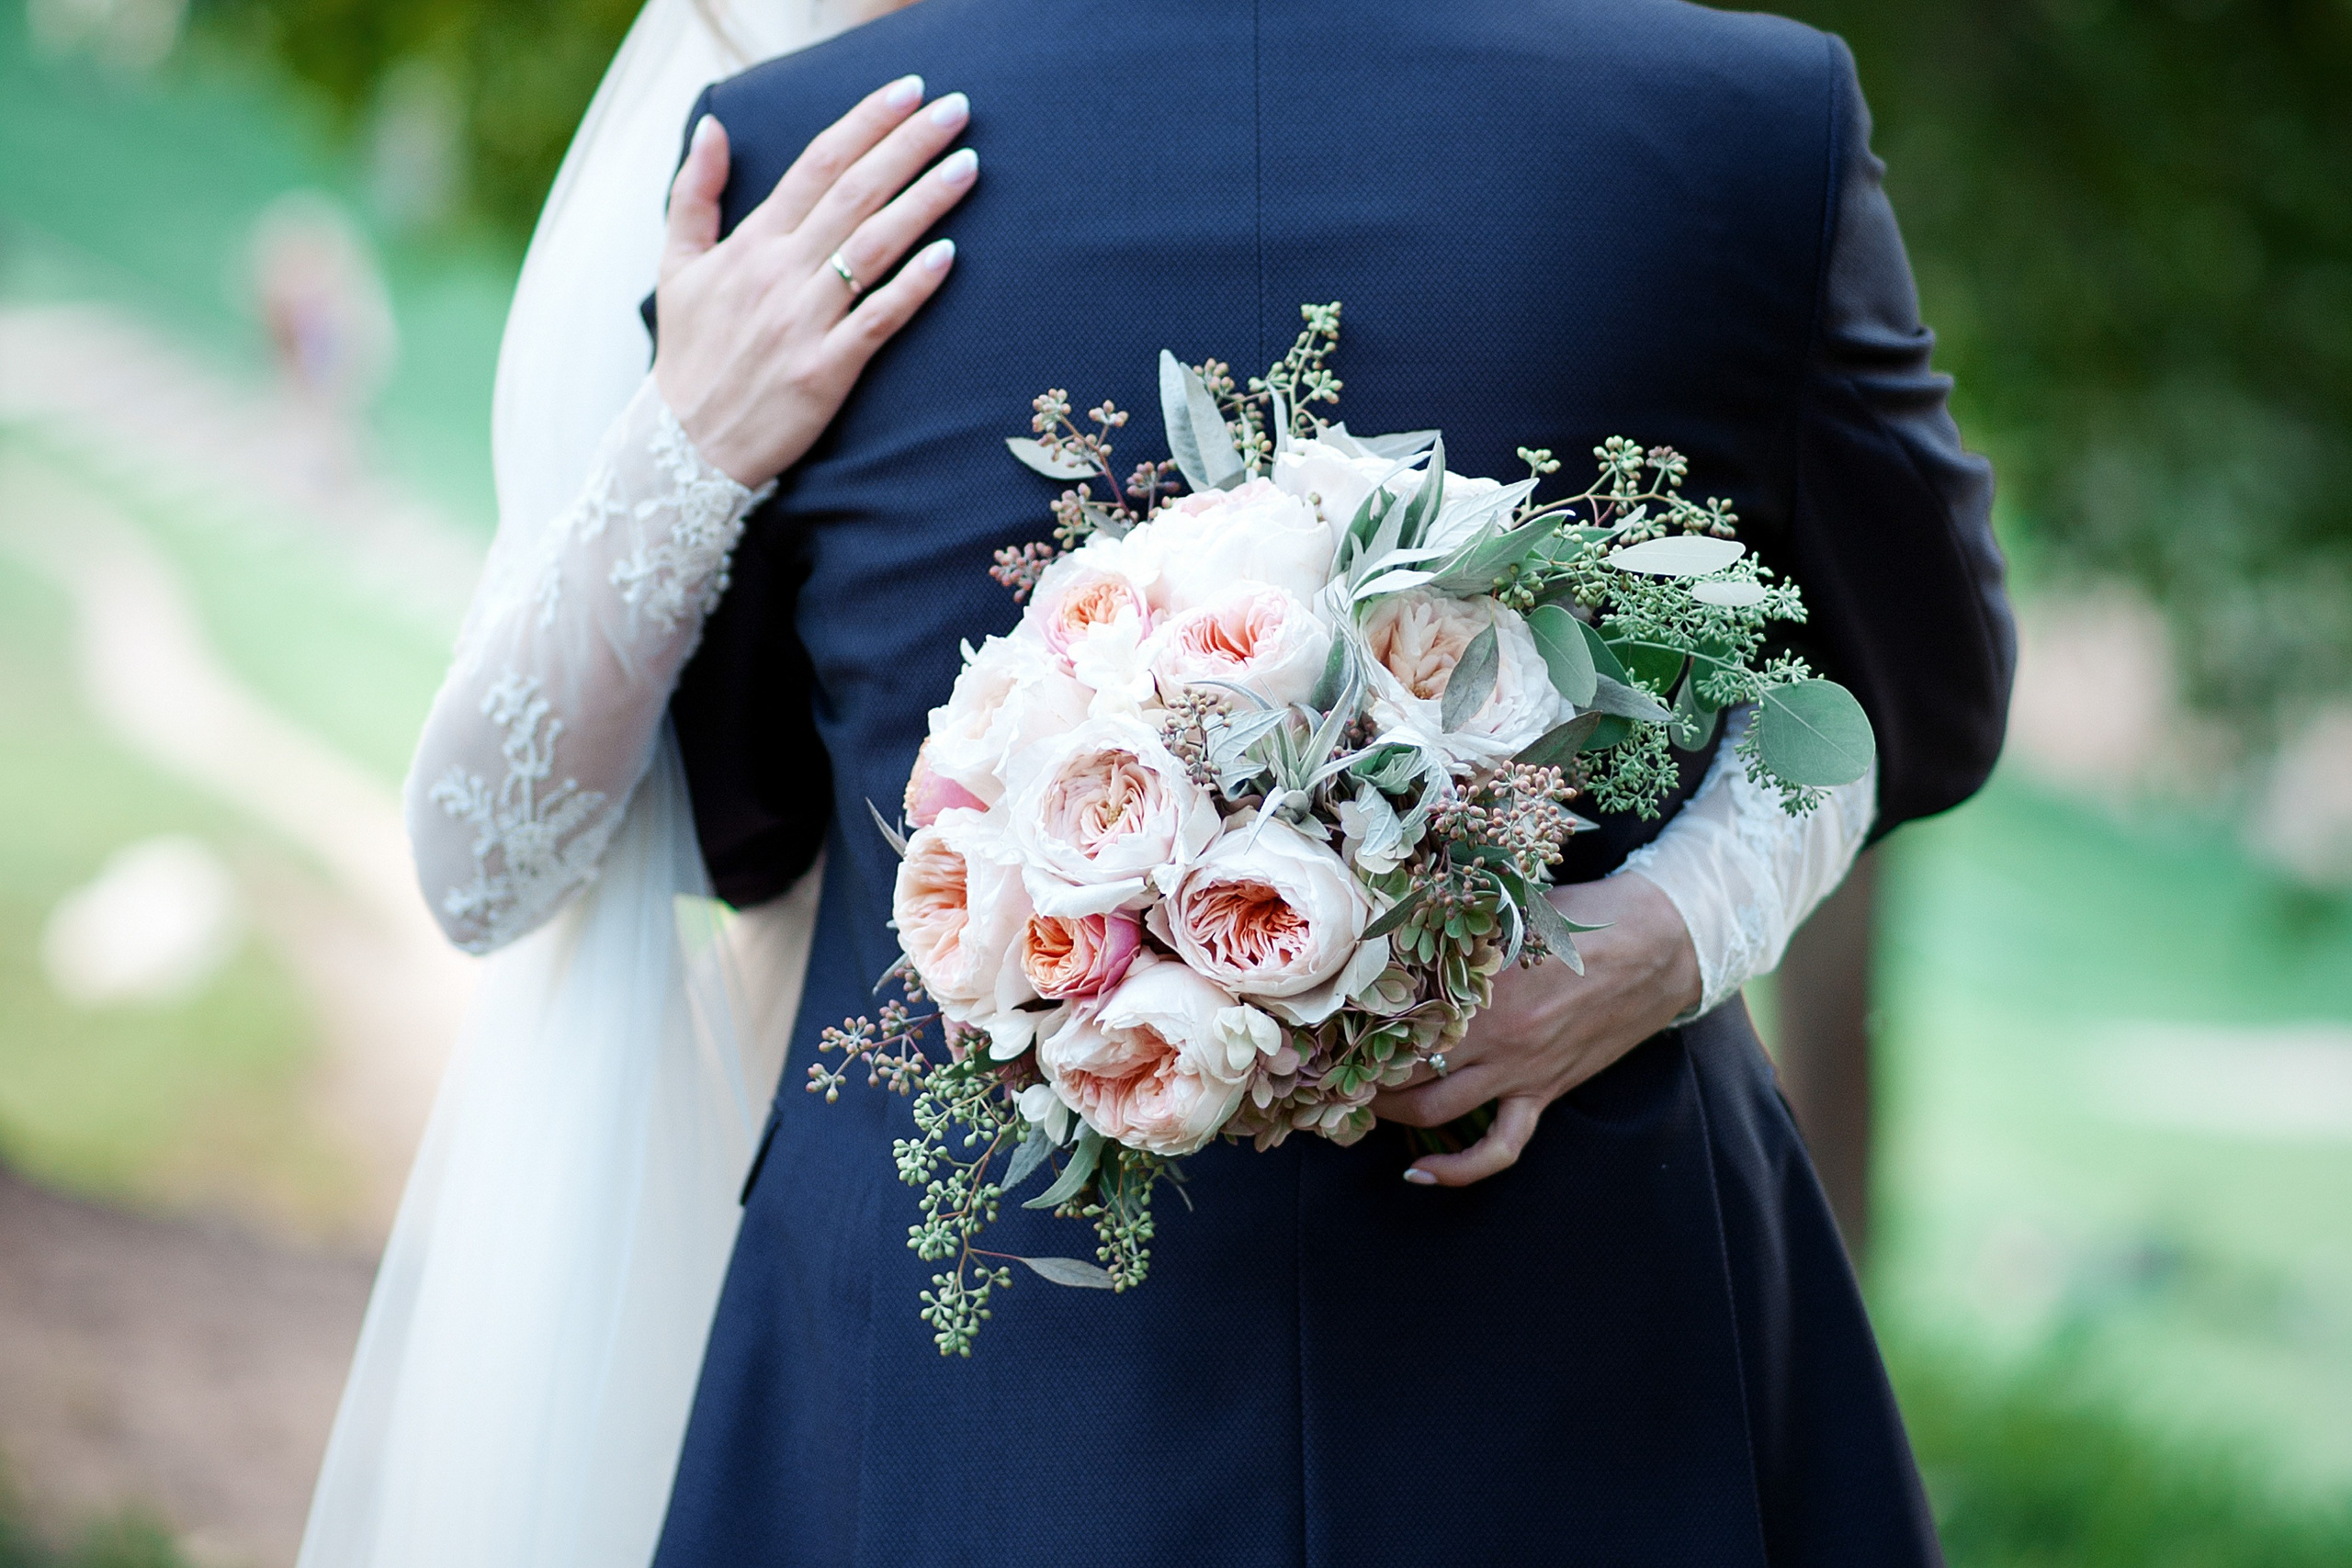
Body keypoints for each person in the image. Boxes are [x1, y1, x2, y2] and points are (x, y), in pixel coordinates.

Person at [311, 0, 2010, 1562]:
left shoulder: (822, 158)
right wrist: (1668, 926)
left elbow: (738, 821)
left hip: (964, 1401)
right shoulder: (1749, 127)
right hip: (1582, 1373)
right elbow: (1913, 692)